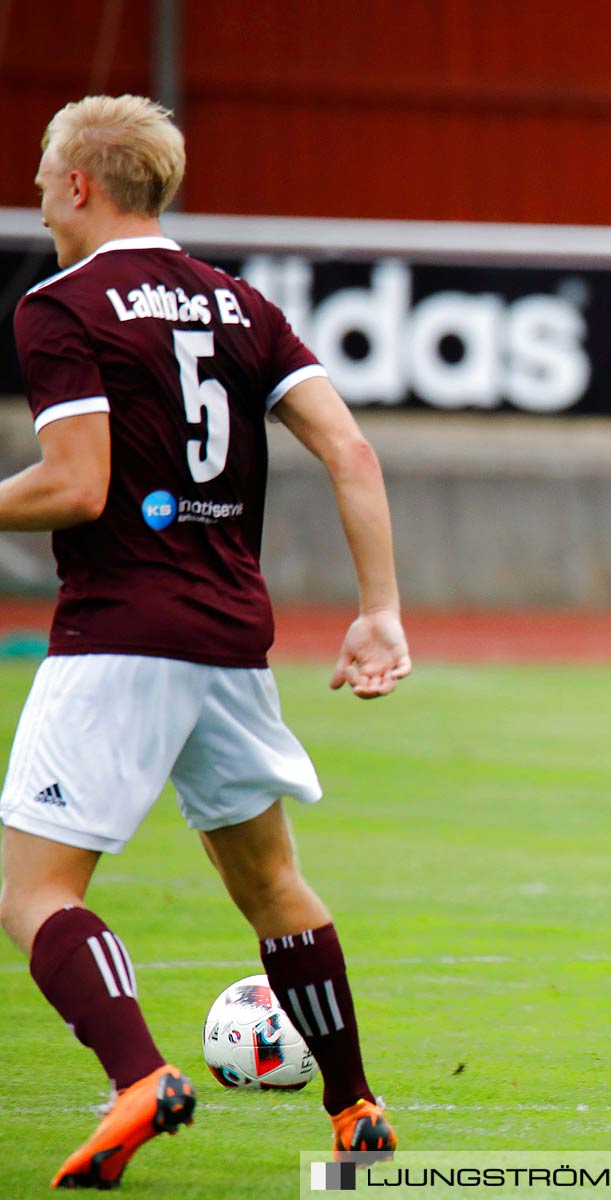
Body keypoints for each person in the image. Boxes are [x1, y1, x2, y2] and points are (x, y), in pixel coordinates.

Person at [0, 95, 412, 1188]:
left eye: (43, 176)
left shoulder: (58, 307)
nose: (37, 194)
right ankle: (354, 1103)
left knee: (35, 892)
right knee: (273, 885)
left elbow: (78, 485)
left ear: (80, 186)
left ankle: (138, 1075)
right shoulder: (239, 304)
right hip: (231, 638)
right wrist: (380, 608)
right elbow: (353, 452)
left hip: (118, 636)